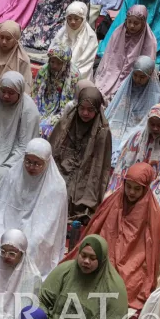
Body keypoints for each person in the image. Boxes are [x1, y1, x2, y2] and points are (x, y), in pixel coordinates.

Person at [65, 162, 160, 311]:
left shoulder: (154, 212)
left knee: (123, 286)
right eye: (128, 186)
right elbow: (97, 228)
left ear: (146, 188)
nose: (131, 192)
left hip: (134, 259)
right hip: (108, 250)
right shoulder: (113, 201)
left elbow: (151, 250)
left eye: (137, 189)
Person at [0, 139, 68, 278]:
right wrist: (4, 234)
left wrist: (27, 239)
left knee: (33, 246)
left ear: (47, 162)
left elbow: (49, 225)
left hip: (36, 231)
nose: (31, 167)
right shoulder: (13, 175)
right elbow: (0, 209)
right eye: (28, 161)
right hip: (9, 225)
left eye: (37, 163)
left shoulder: (57, 187)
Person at [39, 235, 128, 319]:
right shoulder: (64, 271)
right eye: (83, 255)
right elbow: (43, 300)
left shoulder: (114, 285)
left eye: (92, 258)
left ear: (101, 259)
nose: (86, 261)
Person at [50, 84, 113, 220]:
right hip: (64, 167)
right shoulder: (67, 121)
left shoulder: (102, 131)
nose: (85, 113)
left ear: (97, 110)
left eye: (90, 110)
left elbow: (99, 166)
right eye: (82, 108)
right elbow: (53, 149)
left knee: (80, 205)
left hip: (87, 174)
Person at [0, 71, 41, 186]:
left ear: (19, 93)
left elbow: (24, 147)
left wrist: (5, 165)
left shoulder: (29, 111)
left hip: (14, 158)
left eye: (11, 93)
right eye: (3, 91)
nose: (5, 96)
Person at [109, 104, 160, 207]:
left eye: (159, 125)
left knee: (155, 208)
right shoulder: (137, 138)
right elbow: (123, 166)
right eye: (152, 124)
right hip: (133, 183)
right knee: (112, 201)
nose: (155, 128)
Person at [105, 55, 160, 164]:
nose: (137, 79)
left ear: (150, 76)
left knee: (132, 141)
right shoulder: (127, 85)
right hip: (121, 121)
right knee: (107, 132)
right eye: (135, 75)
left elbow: (152, 120)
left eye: (142, 77)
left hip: (141, 125)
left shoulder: (156, 95)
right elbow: (117, 109)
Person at [96, 5, 156, 99]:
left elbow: (147, 66)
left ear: (143, 23)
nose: (131, 26)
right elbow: (108, 57)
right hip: (112, 72)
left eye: (136, 23)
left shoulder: (149, 40)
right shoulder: (118, 32)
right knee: (101, 89)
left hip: (135, 78)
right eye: (129, 22)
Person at [32, 44, 80, 137]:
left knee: (46, 128)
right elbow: (35, 93)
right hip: (43, 107)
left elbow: (72, 102)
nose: (54, 66)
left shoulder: (74, 76)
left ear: (65, 63)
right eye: (52, 62)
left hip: (62, 110)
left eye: (59, 63)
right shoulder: (44, 70)